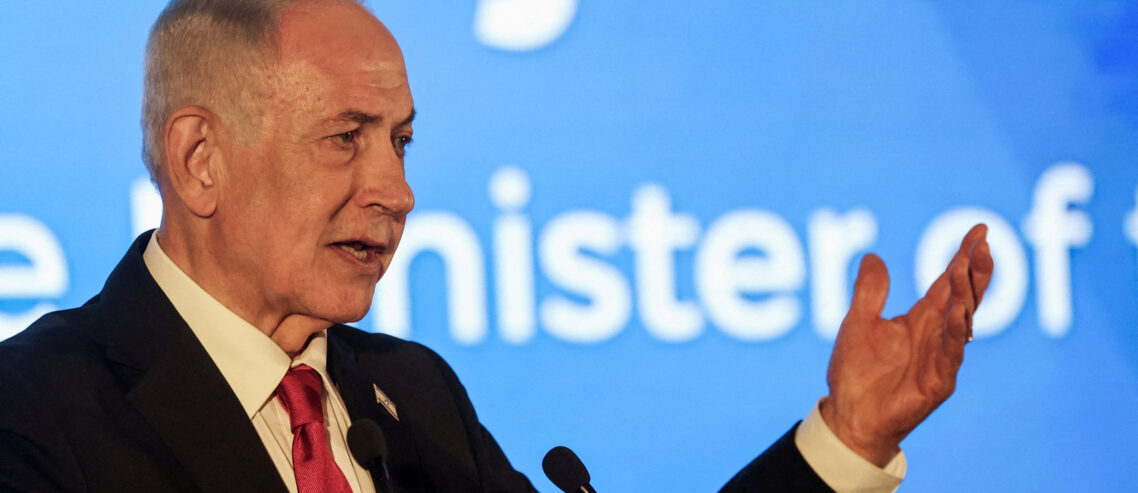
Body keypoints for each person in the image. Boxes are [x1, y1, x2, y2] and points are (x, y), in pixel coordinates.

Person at [0, 0, 994, 492]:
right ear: (201, 159)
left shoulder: (412, 396)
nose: (396, 191)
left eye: (401, 142)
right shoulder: (36, 416)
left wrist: (845, 438)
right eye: (345, 138)